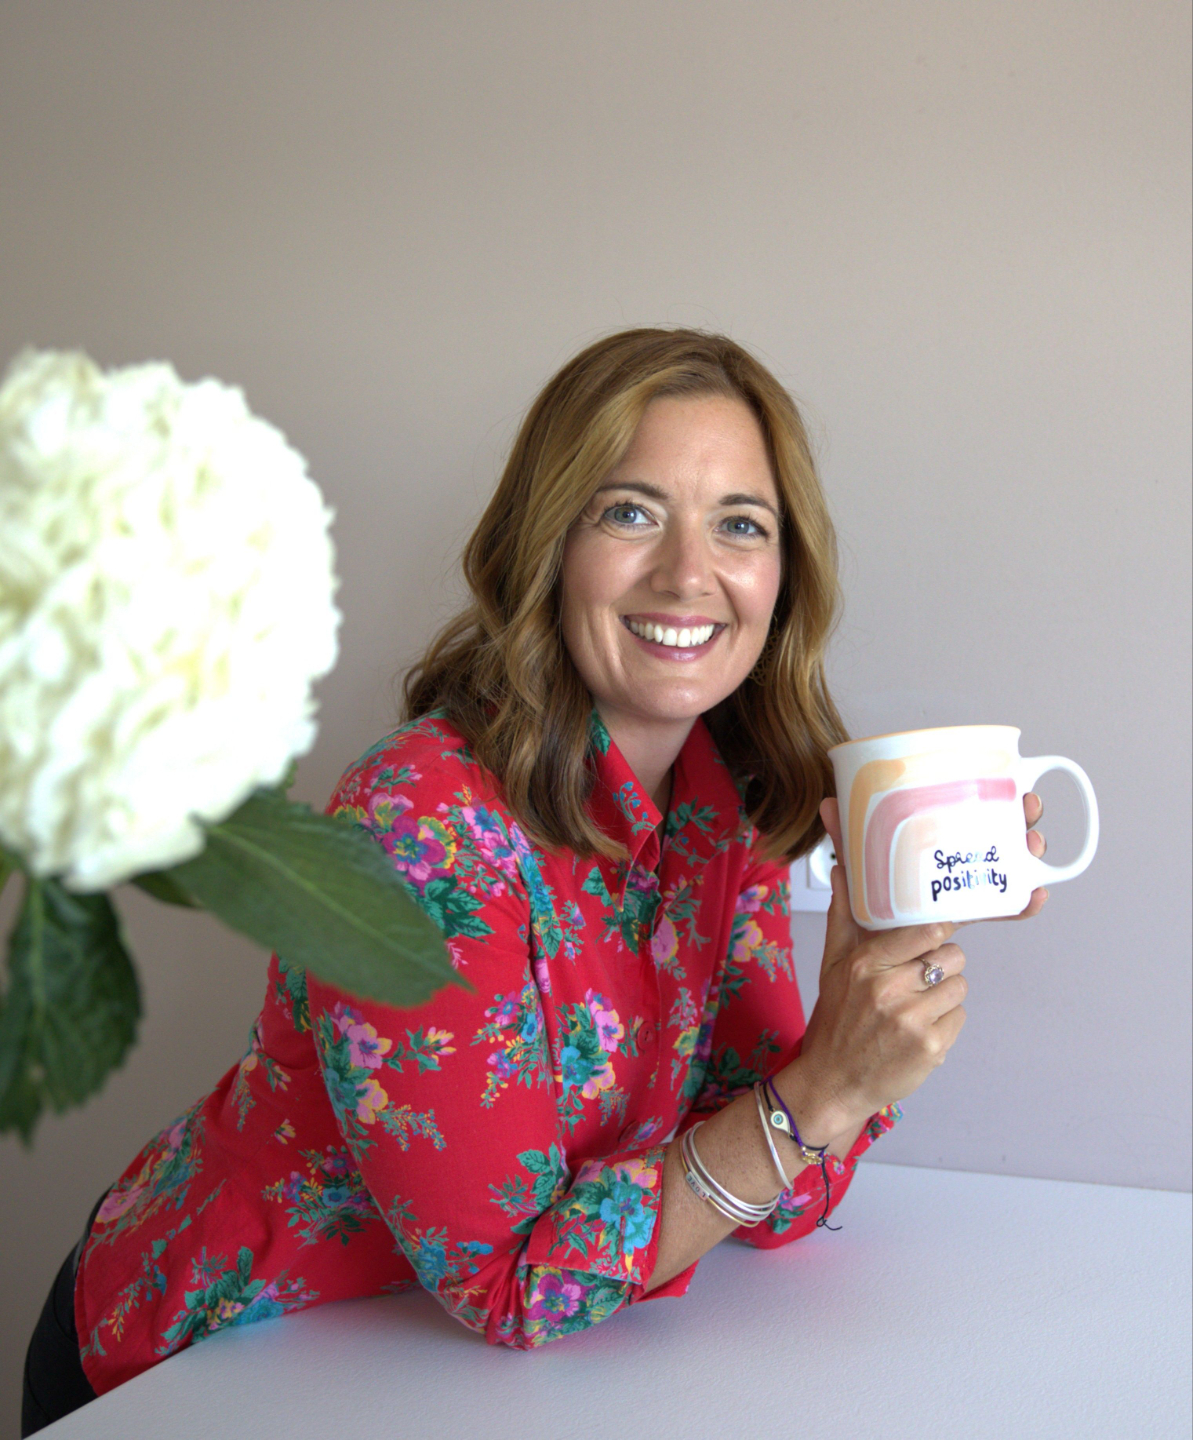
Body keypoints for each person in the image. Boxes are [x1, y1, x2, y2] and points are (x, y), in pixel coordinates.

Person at [22, 328, 1047, 1431]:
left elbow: (770, 1199)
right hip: (206, 1370)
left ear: (781, 578)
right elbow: (514, 1284)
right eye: (629, 512)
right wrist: (826, 1091)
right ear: (548, 542)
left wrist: (863, 979)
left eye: (739, 524)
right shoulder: (417, 823)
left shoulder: (724, 803)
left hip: (443, 1387)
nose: (687, 573)